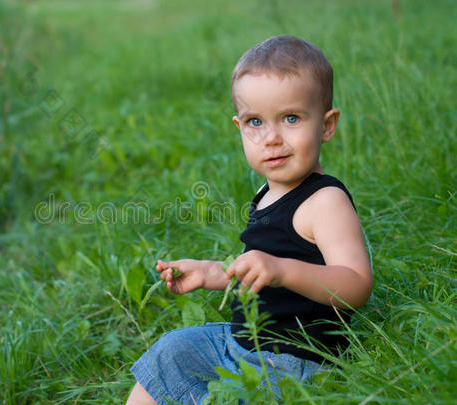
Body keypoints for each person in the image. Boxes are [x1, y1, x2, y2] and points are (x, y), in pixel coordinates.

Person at [126, 35, 373, 405]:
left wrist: (283, 270)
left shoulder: (325, 202)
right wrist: (211, 273)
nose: (271, 138)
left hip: (293, 362)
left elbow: (356, 286)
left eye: (291, 118)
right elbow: (258, 270)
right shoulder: (267, 193)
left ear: (326, 125)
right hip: (244, 344)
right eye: (256, 122)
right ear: (239, 127)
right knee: (173, 349)